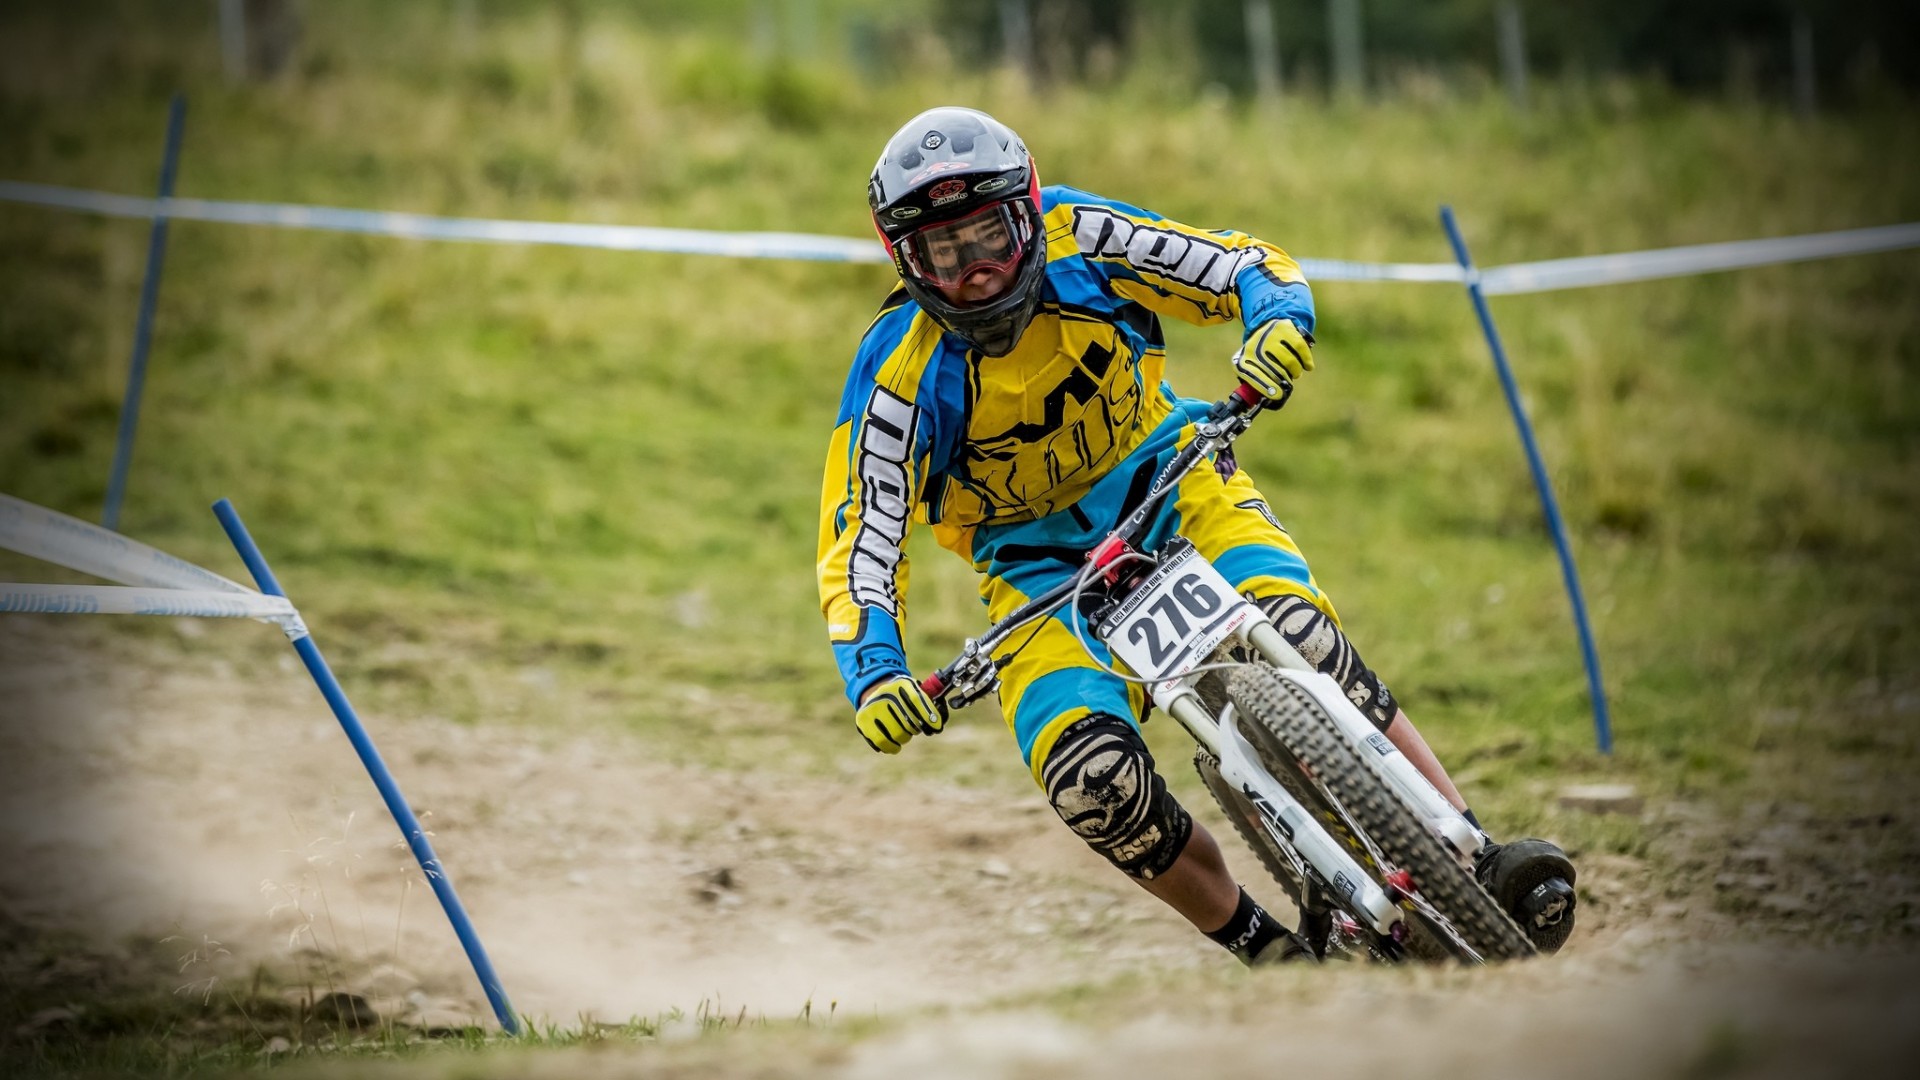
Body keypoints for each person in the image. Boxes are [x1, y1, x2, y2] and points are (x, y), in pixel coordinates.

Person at [816, 106, 1576, 965]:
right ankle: (1270, 954)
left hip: (1177, 488)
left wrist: (1276, 319)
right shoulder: (895, 376)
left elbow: (1239, 264)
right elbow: (860, 535)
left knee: (1301, 637)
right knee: (1090, 780)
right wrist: (876, 674)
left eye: (990, 235)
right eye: (944, 253)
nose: (977, 272)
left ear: (1027, 212)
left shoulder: (1085, 236)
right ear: (906, 261)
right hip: (1038, 578)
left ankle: (1477, 851)